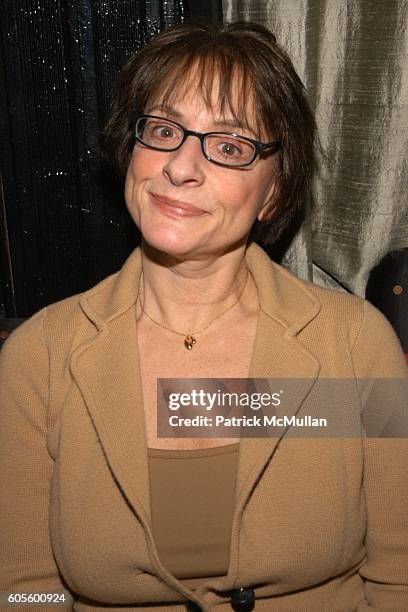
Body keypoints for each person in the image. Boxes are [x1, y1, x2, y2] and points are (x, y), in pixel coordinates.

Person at [1, 21, 407, 612]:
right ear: (131, 152)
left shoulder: (353, 345)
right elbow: (22, 591)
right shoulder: (39, 359)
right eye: (164, 130)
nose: (182, 167)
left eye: (230, 146)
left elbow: (401, 574)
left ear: (273, 192)